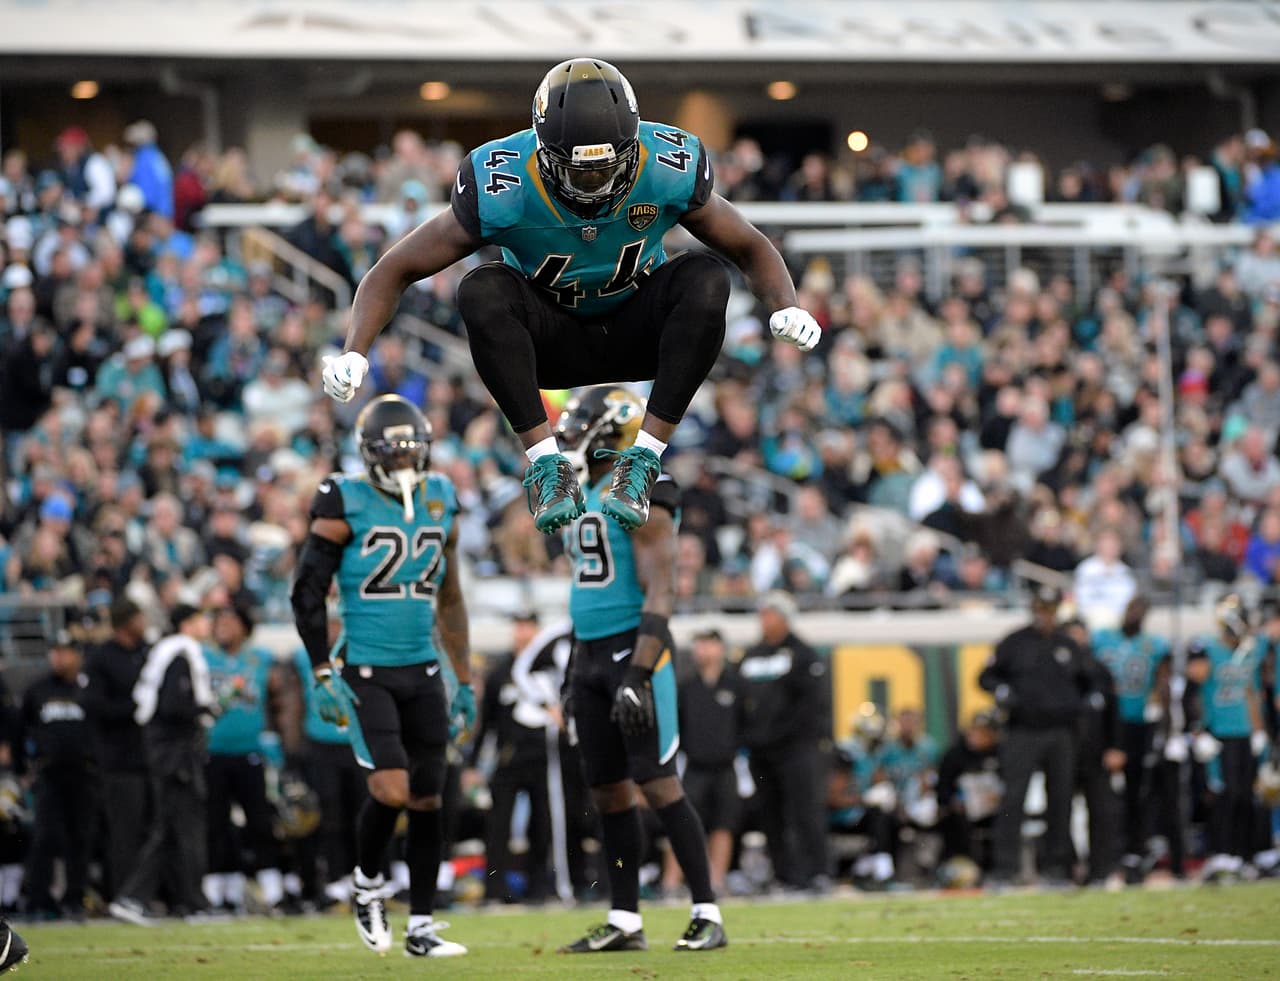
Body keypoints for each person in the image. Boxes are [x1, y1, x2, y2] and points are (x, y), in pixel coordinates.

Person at [321, 58, 820, 536]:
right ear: (542, 153)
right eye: (580, 171)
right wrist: (356, 348)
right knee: (481, 288)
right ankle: (546, 465)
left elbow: (748, 244)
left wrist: (786, 303)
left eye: (607, 167)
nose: (596, 182)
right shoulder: (505, 181)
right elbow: (396, 268)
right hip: (550, 345)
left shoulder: (667, 163)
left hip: (637, 332)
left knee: (706, 277)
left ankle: (644, 458)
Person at [290, 394, 473, 958]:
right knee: (391, 789)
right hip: (366, 667)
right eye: (392, 455)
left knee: (428, 798)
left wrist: (462, 679)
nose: (403, 465)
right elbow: (306, 593)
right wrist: (322, 669)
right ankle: (367, 882)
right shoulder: (343, 498)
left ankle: (420, 926)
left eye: (411, 453)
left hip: (422, 668)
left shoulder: (441, 496)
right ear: (369, 455)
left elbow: (451, 596)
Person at [554, 386, 726, 952]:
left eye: (584, 423)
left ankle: (707, 912)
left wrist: (640, 671)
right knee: (608, 792)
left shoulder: (641, 487)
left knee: (657, 783)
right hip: (590, 652)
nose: (573, 432)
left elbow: (661, 589)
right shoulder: (582, 489)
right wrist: (577, 661)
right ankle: (625, 920)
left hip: (635, 647)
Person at [979, 585, 1097, 886]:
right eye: (1041, 609)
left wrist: (1083, 704)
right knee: (1013, 799)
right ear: (1033, 609)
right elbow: (986, 676)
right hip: (1023, 730)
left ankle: (1056, 867)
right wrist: (1002, 691)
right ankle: (1005, 868)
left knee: (1060, 800)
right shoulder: (1014, 643)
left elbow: (1089, 681)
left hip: (1060, 732)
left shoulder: (1067, 645)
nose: (1045, 615)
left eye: (1050, 609)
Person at [109, 604, 216, 924]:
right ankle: (147, 898)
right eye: (200, 619)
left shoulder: (168, 652)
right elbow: (174, 706)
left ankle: (177, 900)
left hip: (165, 753)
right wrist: (204, 710)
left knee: (172, 829)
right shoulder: (181, 655)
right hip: (176, 755)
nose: (206, 625)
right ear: (187, 624)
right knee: (179, 829)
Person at [202, 604, 294, 914]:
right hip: (212, 751)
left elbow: (278, 694)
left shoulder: (260, 658)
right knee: (216, 824)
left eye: (230, 619)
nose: (223, 626)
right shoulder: (202, 656)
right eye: (219, 620)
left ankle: (272, 891)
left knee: (260, 821)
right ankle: (218, 892)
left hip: (250, 751)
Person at [738, 589, 831, 893]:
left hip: (795, 748)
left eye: (770, 614)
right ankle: (785, 875)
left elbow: (811, 705)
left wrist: (779, 733)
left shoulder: (803, 654)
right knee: (771, 814)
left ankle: (816, 872)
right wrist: (751, 736)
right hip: (761, 750)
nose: (764, 620)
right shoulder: (752, 655)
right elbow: (742, 700)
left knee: (805, 810)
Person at [1186, 594, 1268, 882]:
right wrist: (1197, 732)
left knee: (1247, 795)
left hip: (1245, 732)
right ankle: (1220, 854)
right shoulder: (1207, 648)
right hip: (1219, 734)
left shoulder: (1251, 649)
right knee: (1224, 795)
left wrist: (1259, 731)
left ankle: (1242, 856)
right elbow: (1191, 692)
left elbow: (1251, 692)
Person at [1090, 595, 1171, 883]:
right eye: (1131, 609)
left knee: (1137, 791)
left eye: (1140, 610)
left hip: (1137, 724)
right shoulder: (1101, 638)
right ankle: (1105, 856)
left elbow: (1163, 685)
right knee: (1102, 793)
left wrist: (1164, 726)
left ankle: (1133, 854)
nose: (1134, 614)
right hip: (1104, 725)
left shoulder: (1154, 645)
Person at [21, 626, 96, 920]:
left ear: (78, 656)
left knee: (81, 837)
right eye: (56, 652)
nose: (59, 658)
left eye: (65, 652)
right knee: (45, 837)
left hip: (84, 775)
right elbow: (20, 728)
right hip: (49, 775)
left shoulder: (88, 689)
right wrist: (22, 766)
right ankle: (38, 900)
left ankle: (74, 899)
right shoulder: (37, 689)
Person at [665, 628, 741, 897]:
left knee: (723, 825)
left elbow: (744, 724)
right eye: (699, 644)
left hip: (726, 766)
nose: (703, 650)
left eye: (709, 644)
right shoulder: (686, 687)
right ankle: (671, 882)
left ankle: (715, 881)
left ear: (721, 648)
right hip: (694, 766)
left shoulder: (734, 684)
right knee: (684, 822)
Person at [83, 597, 150, 900]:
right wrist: (137, 709)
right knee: (125, 832)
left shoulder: (147, 652)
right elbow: (95, 706)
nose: (144, 623)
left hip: (150, 758)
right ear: (126, 622)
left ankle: (150, 895)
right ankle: (124, 895)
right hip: (118, 760)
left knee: (151, 831)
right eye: (139, 617)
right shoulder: (101, 658)